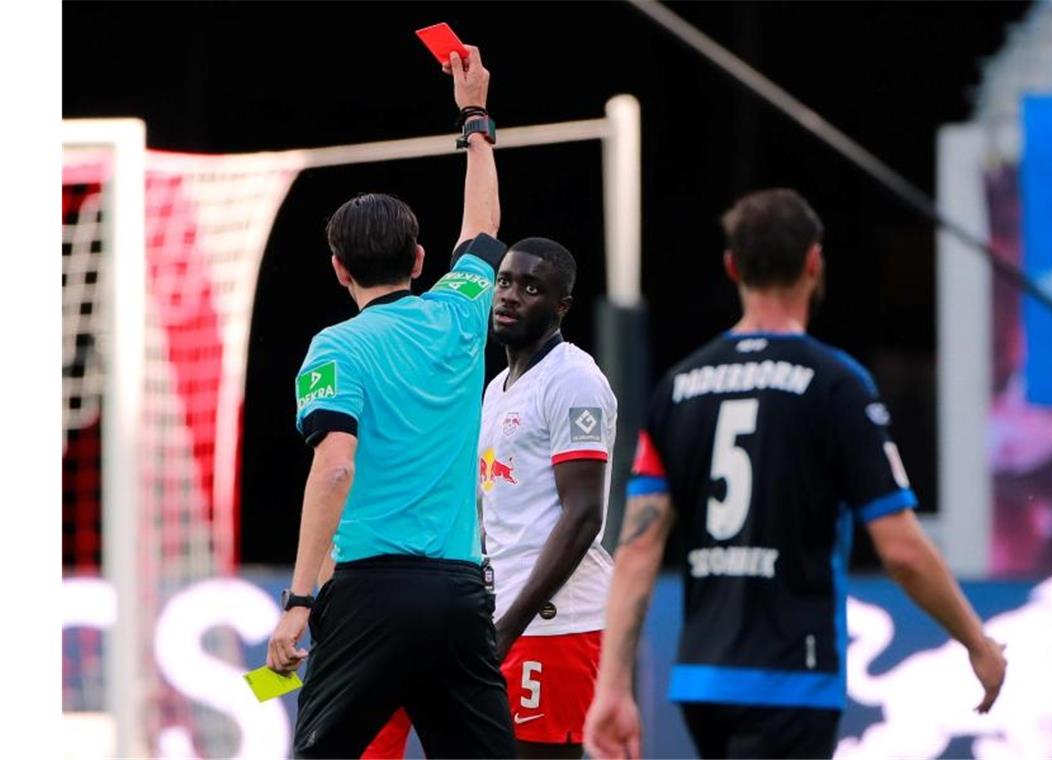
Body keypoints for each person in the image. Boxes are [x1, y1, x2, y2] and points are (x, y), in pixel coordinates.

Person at [583, 189, 1008, 759]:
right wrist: (976, 642)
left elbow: (637, 551)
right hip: (792, 677)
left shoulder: (678, 387)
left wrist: (612, 687)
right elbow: (901, 551)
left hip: (702, 679)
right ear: (814, 262)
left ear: (732, 266)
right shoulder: (836, 384)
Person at [265, 45, 516, 759]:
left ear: (339, 269)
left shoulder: (334, 349)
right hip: (459, 595)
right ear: (417, 260)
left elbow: (336, 468)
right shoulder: (459, 313)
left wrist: (299, 600)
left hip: (370, 593)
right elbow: (484, 229)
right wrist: (475, 117)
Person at [362, 238, 618, 760]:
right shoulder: (496, 386)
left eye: (530, 288)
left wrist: (508, 626)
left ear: (561, 306)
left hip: (554, 623)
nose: (508, 296)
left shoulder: (574, 378)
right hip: (498, 620)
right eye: (503, 282)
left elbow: (585, 513)